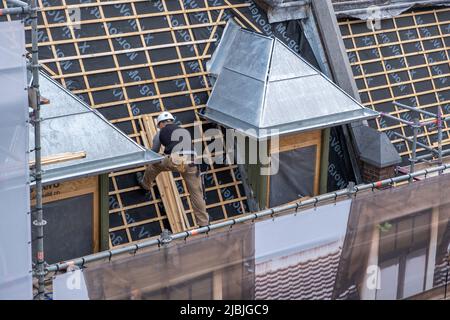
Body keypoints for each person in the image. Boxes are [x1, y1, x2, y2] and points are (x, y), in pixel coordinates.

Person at [136, 111, 210, 227]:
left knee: (154, 165)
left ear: (161, 123)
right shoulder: (184, 130)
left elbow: (154, 152)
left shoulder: (160, 132)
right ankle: (203, 223)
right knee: (196, 193)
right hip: (193, 162)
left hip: (177, 159)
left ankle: (145, 185)